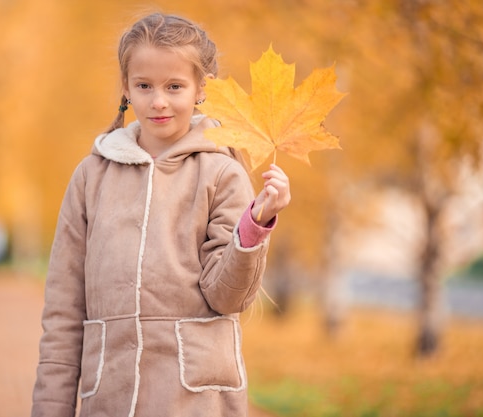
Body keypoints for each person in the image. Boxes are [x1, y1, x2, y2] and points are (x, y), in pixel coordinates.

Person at [31, 12, 291, 417]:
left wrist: (254, 227)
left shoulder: (222, 172)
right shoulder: (92, 176)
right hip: (110, 400)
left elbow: (227, 298)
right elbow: (64, 310)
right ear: (126, 87)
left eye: (174, 86)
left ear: (201, 88)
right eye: (144, 85)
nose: (158, 101)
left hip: (195, 403)